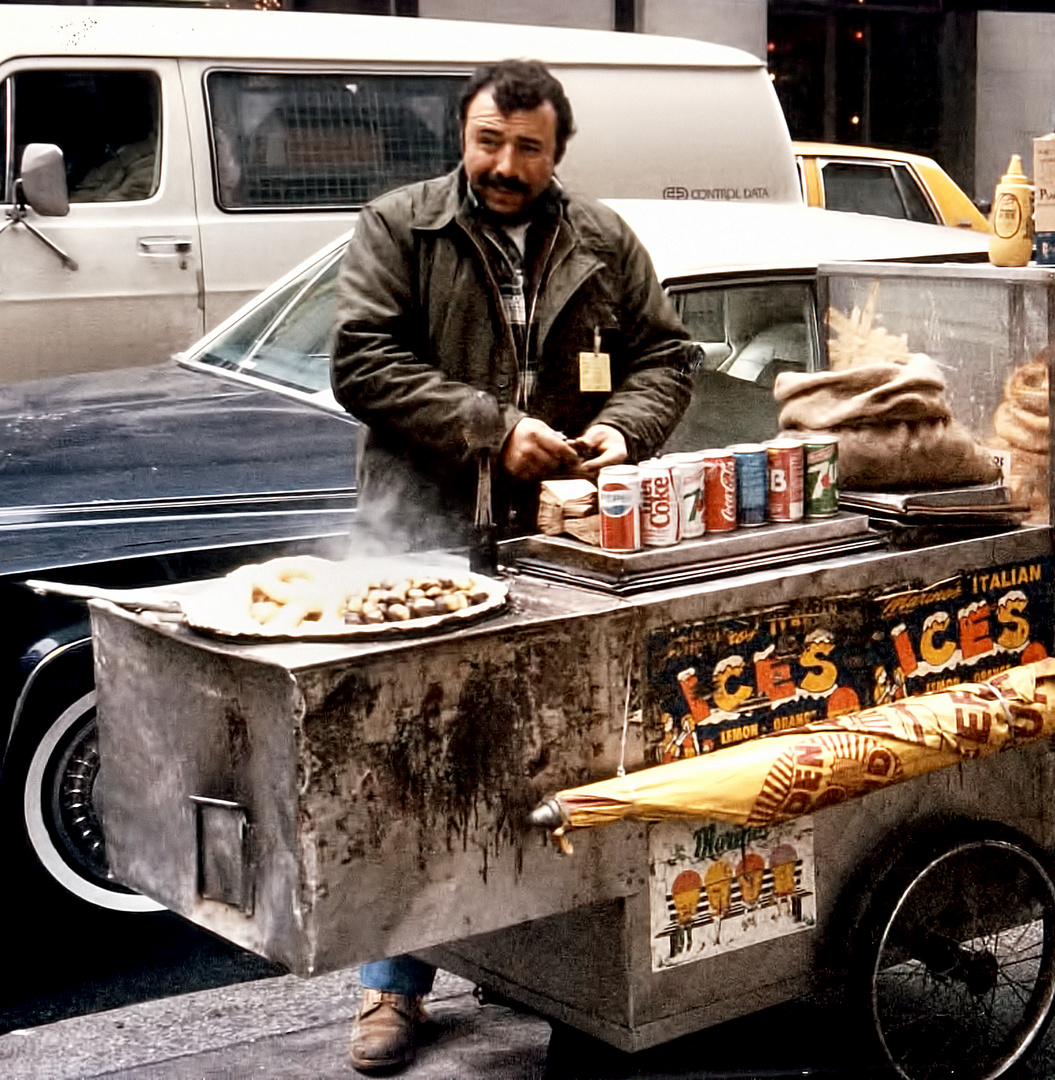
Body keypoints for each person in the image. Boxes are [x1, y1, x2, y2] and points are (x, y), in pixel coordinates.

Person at [329, 59, 694, 1074]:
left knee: (545, 758)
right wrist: (494, 430)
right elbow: (361, 362)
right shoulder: (401, 225)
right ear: (463, 134)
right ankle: (391, 987)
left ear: (557, 152)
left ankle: (543, 968)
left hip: (558, 547)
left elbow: (668, 359)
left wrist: (625, 430)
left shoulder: (603, 241)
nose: (505, 164)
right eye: (489, 141)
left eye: (528, 148)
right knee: (410, 760)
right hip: (425, 535)